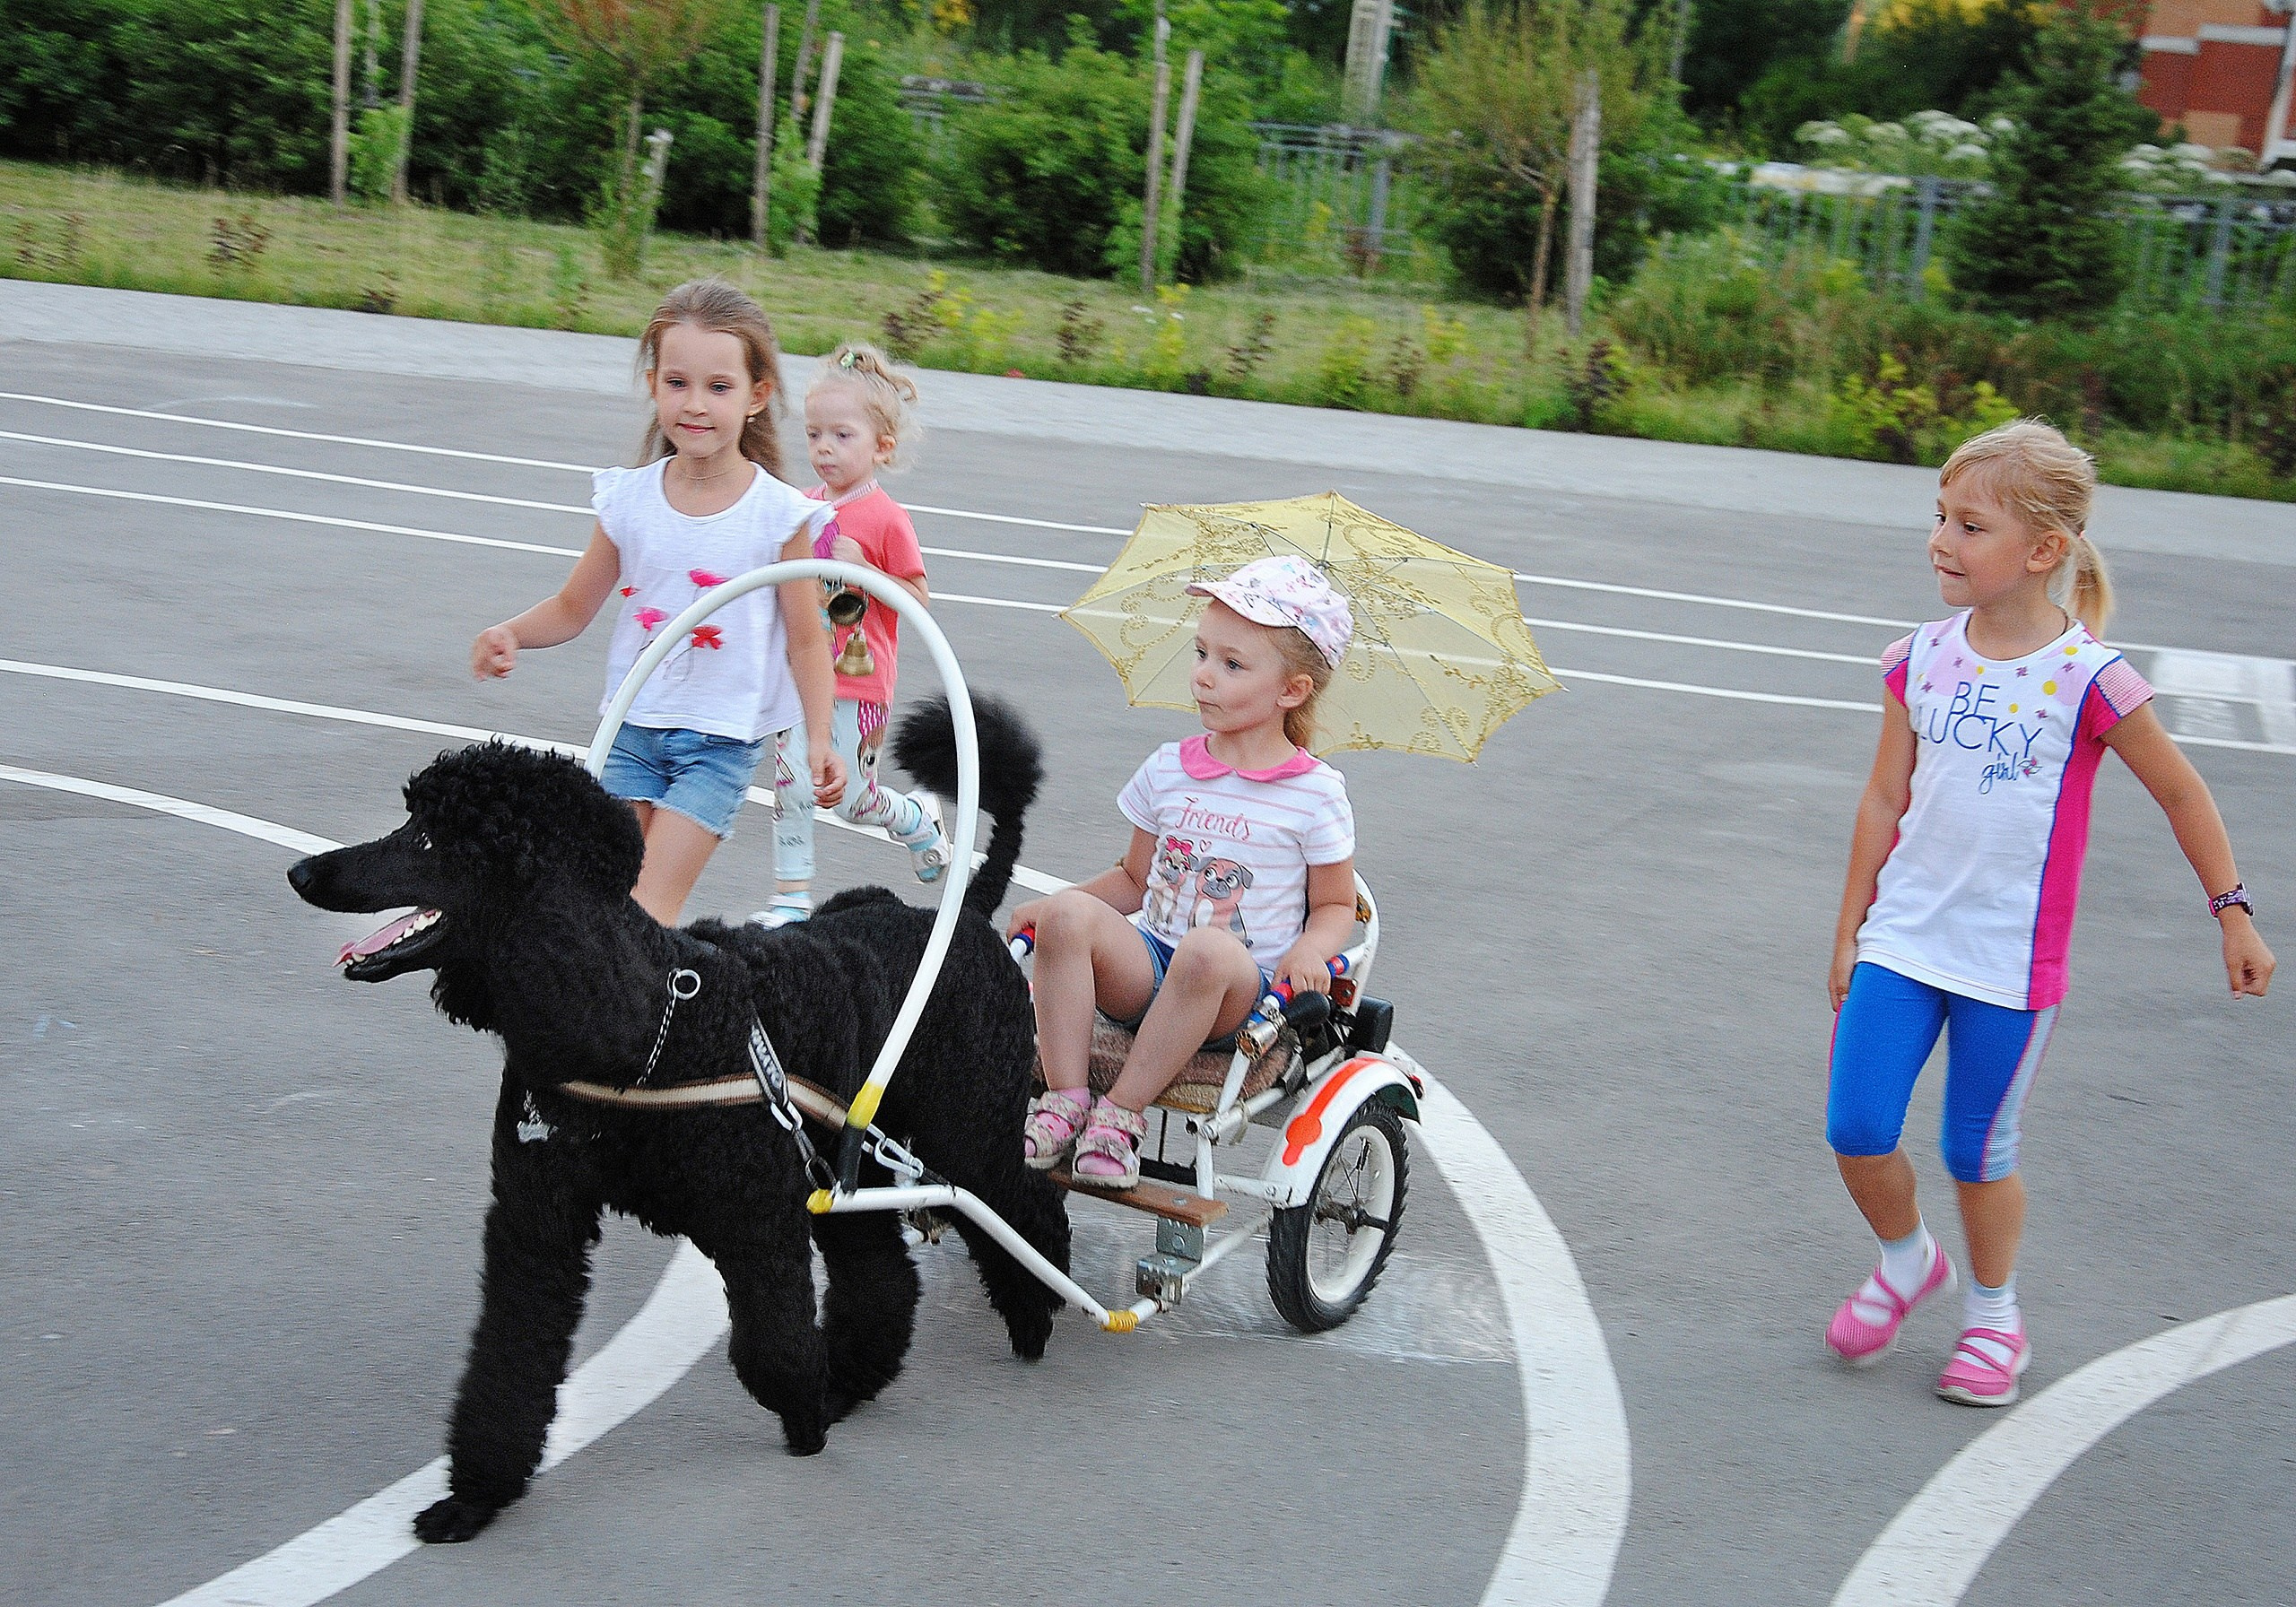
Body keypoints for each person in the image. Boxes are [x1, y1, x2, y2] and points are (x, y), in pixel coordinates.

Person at [1822, 419, 2274, 1405]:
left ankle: (1994, 1318)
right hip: (1903, 941)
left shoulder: (2090, 679)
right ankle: (1906, 1261)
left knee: (1976, 1151)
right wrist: (1849, 929)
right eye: (1938, 516)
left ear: (2043, 551)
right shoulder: (1916, 660)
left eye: (1969, 525)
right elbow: (1881, 800)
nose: (1941, 539)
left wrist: (2231, 910)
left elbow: (2182, 792)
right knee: (1856, 1126)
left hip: (2007, 962)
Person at [470, 278, 845, 926]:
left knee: (646, 912)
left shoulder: (776, 514)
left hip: (718, 744)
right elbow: (573, 604)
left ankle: (650, 1023)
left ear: (757, 397)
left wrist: (818, 738)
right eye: (678, 383)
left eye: (718, 387)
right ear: (654, 384)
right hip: (631, 731)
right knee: (599, 901)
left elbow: (808, 639)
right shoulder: (629, 500)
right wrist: (512, 633)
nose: (695, 405)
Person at [1008, 556, 1360, 1189]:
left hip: (1234, 994)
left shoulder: (1315, 794)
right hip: (1146, 966)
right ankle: (1066, 1100)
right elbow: (1135, 880)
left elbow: (1337, 904)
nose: (1202, 677)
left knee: (1205, 950)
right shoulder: (1170, 768)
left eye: (1231, 665)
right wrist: (1063, 907)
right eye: (1201, 653)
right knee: (1065, 913)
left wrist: (1312, 948)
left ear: (1292, 691)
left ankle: (1121, 1115)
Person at [753, 342, 950, 928]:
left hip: (862, 683)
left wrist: (866, 571)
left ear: (881, 446)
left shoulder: (886, 518)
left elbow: (918, 602)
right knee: (793, 780)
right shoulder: (801, 506)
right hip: (804, 676)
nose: (824, 449)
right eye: (815, 435)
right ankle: (791, 896)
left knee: (855, 799)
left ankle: (915, 819)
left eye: (842, 436)